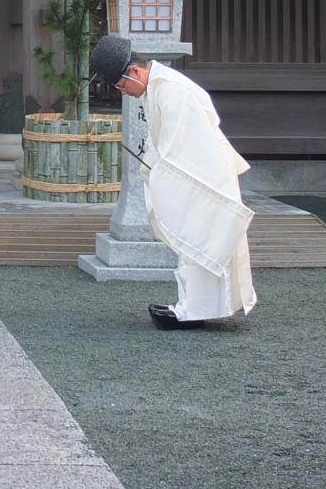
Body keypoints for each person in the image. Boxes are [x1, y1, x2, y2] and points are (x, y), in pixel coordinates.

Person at [90, 33, 256, 330]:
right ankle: (192, 306)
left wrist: (159, 172)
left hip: (204, 178)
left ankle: (194, 310)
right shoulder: (158, 87)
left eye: (121, 85)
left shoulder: (171, 90)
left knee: (200, 241)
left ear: (135, 72)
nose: (123, 92)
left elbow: (182, 148)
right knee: (193, 243)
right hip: (198, 175)